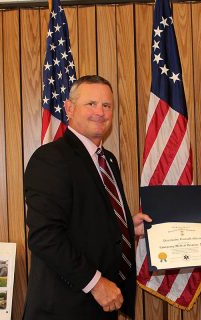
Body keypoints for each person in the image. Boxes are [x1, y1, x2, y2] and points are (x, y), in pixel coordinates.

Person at [23, 75, 151, 320]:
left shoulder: (108, 160)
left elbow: (85, 219)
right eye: (91, 104)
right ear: (69, 108)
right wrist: (95, 283)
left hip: (103, 308)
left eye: (107, 105)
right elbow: (45, 235)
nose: (100, 112)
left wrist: (124, 227)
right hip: (66, 308)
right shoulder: (51, 158)